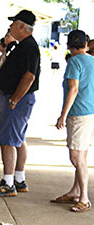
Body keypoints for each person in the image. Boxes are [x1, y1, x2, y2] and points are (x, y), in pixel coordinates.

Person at [0, 10, 41, 197]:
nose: (11, 26)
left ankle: (8, 182)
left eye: (14, 23)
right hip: (17, 98)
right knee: (18, 139)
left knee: (8, 141)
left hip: (17, 99)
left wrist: (14, 99)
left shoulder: (28, 46)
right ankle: (19, 178)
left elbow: (29, 76)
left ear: (22, 26)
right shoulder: (22, 45)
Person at [53, 30, 94, 213]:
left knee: (76, 157)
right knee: (82, 156)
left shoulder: (74, 62)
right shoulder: (92, 61)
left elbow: (73, 89)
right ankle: (75, 191)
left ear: (69, 45)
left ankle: (84, 198)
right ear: (86, 44)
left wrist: (63, 114)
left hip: (78, 113)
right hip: (90, 112)